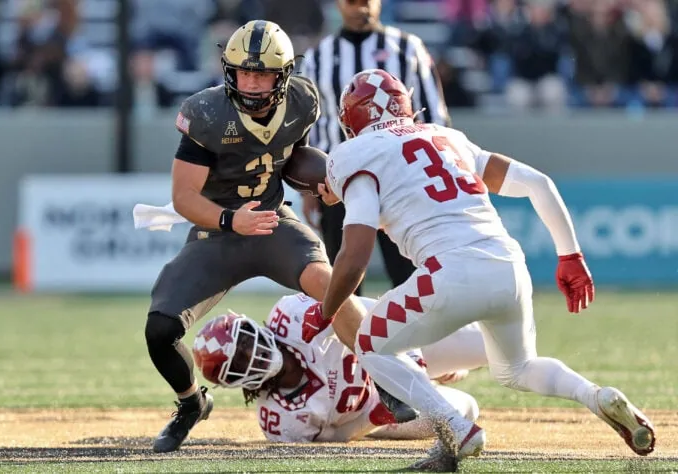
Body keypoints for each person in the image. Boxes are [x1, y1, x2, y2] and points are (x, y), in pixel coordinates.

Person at [309, 69, 656, 469]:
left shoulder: (355, 153)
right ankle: (596, 395)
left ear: (352, 120)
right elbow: (538, 183)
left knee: (370, 343)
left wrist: (328, 309)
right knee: (518, 369)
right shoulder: (445, 136)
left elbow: (355, 254)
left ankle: (455, 427)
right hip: (508, 265)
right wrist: (570, 255)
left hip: (449, 272)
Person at [142, 21, 411, 453]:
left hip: (271, 222)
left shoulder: (303, 100)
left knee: (333, 286)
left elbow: (288, 157)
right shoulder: (207, 113)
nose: (250, 83)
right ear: (228, 71)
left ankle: (387, 379)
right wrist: (231, 220)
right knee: (160, 330)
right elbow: (183, 197)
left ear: (283, 75)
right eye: (243, 72)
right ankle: (191, 403)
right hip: (218, 232)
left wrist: (324, 178)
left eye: (262, 74)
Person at [300, 0, 450, 294]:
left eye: (366, 1)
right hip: (339, 184)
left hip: (401, 179)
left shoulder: (408, 48)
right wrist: (309, 189)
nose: (361, 8)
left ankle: (416, 341)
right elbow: (310, 125)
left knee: (412, 280)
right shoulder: (318, 57)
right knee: (343, 285)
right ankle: (347, 341)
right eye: (353, 1)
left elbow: (434, 118)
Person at [192, 293, 488, 442]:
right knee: (465, 411)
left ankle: (431, 377)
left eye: (244, 342)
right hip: (375, 408)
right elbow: (340, 438)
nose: (251, 354)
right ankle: (430, 387)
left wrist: (412, 363)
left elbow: (362, 309)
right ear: (233, 380)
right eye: (239, 362)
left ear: (250, 327)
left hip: (396, 342)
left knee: (487, 344)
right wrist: (376, 416)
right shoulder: (279, 420)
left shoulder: (290, 315)